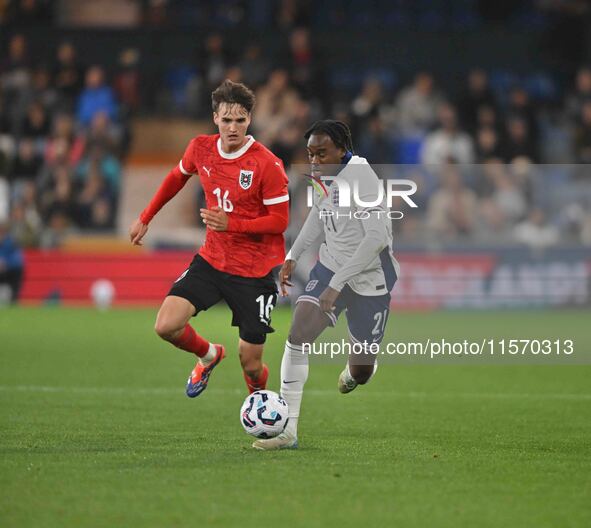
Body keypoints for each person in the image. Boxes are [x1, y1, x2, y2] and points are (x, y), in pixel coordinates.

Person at [128, 80, 289, 398]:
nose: (233, 127)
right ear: (215, 117)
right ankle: (208, 354)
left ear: (249, 121)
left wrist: (232, 223)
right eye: (226, 120)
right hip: (212, 260)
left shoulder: (267, 164)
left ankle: (260, 408)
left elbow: (280, 222)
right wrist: (145, 217)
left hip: (254, 272)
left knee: (251, 364)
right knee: (166, 326)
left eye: (240, 120)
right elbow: (177, 177)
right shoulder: (200, 148)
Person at [253, 120, 399, 450]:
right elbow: (319, 216)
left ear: (342, 149)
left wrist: (338, 284)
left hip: (368, 278)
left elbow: (376, 239)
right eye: (310, 154)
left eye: (322, 153)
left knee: (360, 371)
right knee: (298, 332)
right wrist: (293, 254)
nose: (315, 161)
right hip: (331, 264)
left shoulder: (363, 180)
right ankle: (287, 429)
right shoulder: (324, 176)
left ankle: (359, 370)